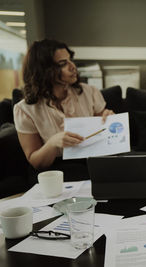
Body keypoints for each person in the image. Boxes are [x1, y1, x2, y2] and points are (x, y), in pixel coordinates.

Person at [13, 39, 114, 185]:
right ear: (44, 70)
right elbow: (36, 162)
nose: (73, 67)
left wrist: (108, 118)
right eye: (63, 63)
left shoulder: (89, 92)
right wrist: (53, 143)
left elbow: (104, 132)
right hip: (52, 170)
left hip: (90, 162)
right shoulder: (24, 109)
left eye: (70, 60)